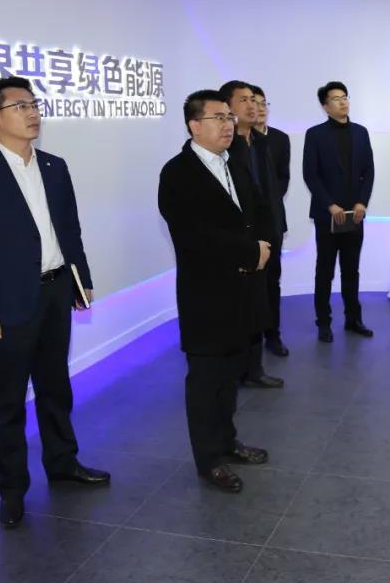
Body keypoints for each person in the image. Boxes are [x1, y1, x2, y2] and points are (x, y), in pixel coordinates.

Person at [0, 76, 109, 530]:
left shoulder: (55, 166)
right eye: (20, 106)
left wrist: (81, 280)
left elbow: (70, 229)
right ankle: (11, 490)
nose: (33, 113)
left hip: (56, 290)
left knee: (56, 386)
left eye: (34, 104)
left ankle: (63, 463)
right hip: (8, 303)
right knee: (8, 400)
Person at [158, 89, 274, 493]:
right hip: (206, 294)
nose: (228, 124)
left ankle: (227, 441)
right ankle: (208, 460)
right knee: (206, 380)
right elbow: (194, 235)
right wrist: (250, 251)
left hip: (243, 289)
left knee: (230, 374)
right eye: (218, 118)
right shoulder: (177, 173)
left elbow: (259, 210)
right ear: (194, 125)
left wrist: (263, 246)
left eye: (229, 117)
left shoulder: (234, 163)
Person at [221, 80, 284, 388]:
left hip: (267, 233)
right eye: (244, 100)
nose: (253, 106)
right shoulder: (225, 147)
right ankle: (236, 368)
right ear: (228, 107)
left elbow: (272, 188)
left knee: (261, 299)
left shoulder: (260, 143)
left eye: (255, 100)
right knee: (238, 304)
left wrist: (271, 231)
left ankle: (254, 368)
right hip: (240, 239)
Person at [302, 81, 375, 343]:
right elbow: (310, 175)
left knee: (351, 270)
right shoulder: (315, 134)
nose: (343, 102)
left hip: (355, 214)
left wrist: (362, 202)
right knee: (325, 270)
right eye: (336, 98)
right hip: (328, 215)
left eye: (345, 97)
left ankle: (354, 319)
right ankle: (323, 322)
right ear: (325, 106)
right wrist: (330, 205)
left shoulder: (361, 132)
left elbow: (369, 171)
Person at [252, 84, 291, 357]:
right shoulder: (236, 139)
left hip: (273, 221)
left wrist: (269, 203)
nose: (259, 108)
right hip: (248, 226)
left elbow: (283, 178)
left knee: (271, 282)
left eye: (263, 103)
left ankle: (273, 335)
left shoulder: (279, 139)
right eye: (253, 102)